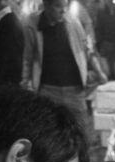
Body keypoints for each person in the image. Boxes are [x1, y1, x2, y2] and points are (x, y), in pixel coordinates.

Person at [23, 0, 92, 137]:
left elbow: (85, 49)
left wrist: (96, 71)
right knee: (50, 135)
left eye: (65, 6)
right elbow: (27, 57)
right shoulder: (32, 24)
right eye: (58, 6)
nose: (63, 10)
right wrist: (25, 84)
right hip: (47, 90)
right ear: (46, 6)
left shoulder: (73, 22)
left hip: (75, 90)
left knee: (81, 134)